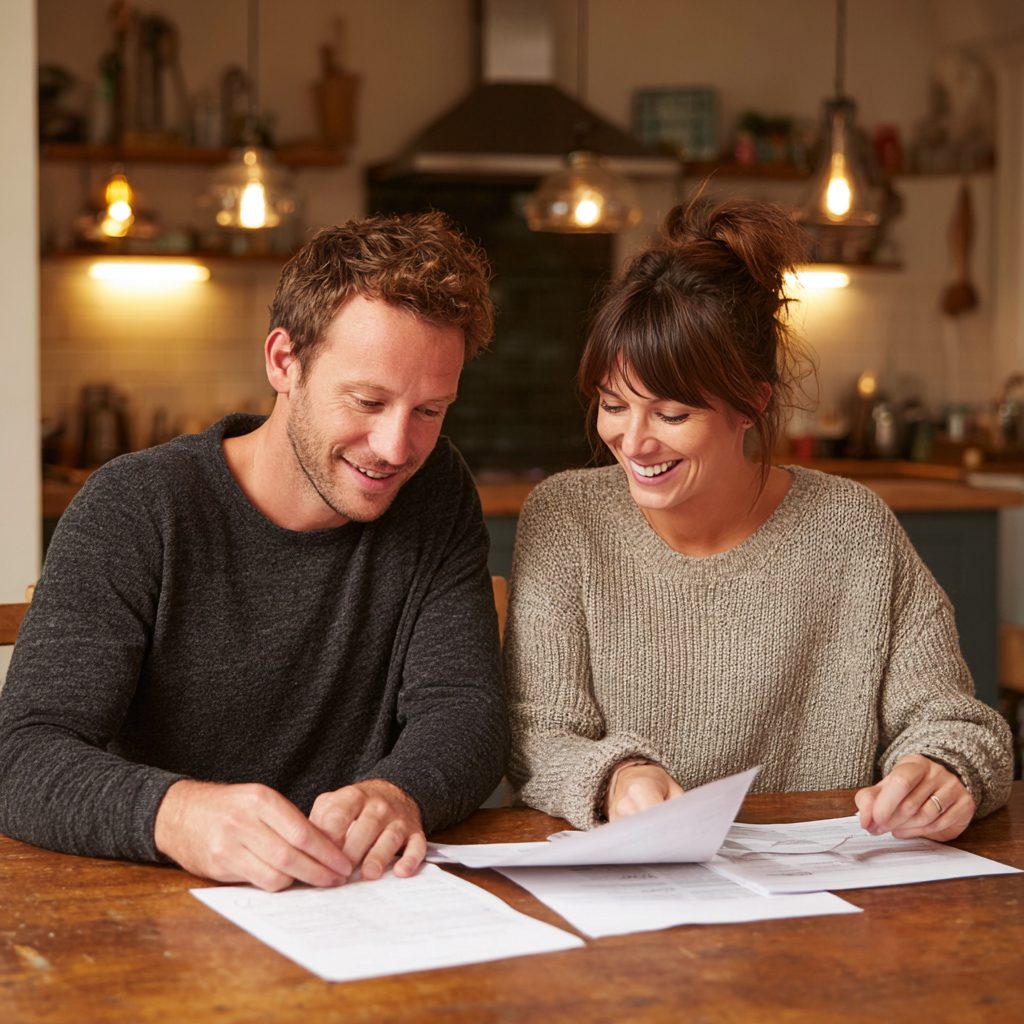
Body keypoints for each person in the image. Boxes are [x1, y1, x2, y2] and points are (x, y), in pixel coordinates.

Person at [0, 212, 509, 890]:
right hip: (152, 910)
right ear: (283, 362)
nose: (395, 448)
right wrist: (177, 814)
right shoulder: (137, 506)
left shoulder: (435, 489)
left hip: (359, 908)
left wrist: (399, 791)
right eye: (366, 400)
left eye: (429, 410)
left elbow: (464, 710)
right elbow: (21, 753)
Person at [504, 197, 1012, 842]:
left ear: (750, 406)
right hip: (635, 898)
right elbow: (535, 737)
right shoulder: (566, 519)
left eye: (671, 415)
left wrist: (941, 769)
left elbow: (953, 719)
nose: (633, 441)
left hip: (830, 896)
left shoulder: (852, 529)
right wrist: (617, 776)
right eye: (612, 404)